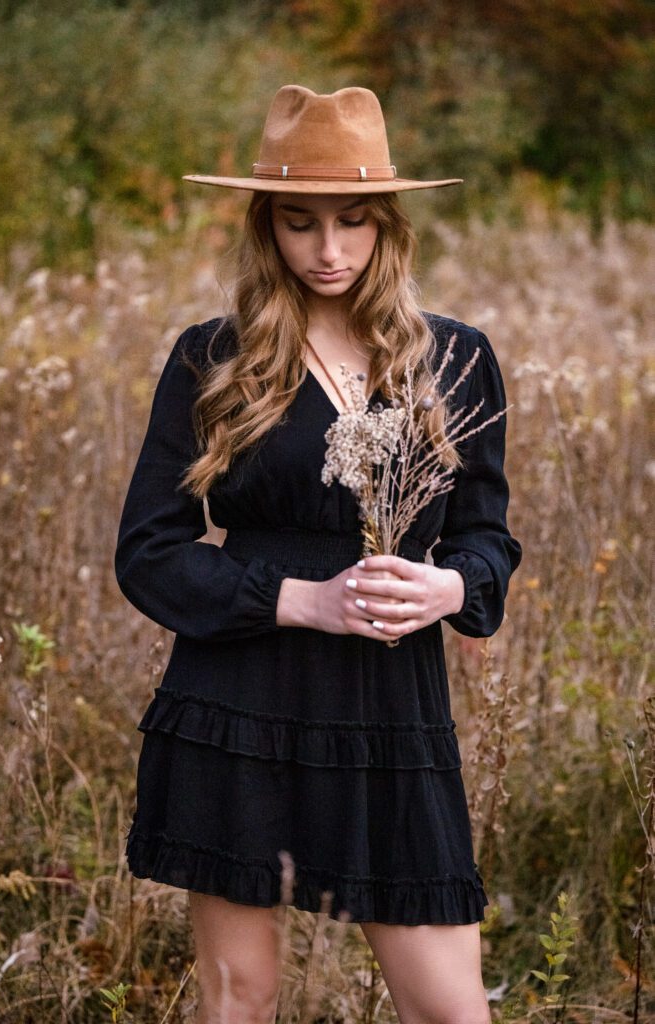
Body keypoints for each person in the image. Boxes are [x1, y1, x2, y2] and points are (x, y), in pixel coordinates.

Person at [114, 84, 523, 1024]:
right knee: (239, 998)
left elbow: (486, 537)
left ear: (388, 226)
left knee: (449, 1008)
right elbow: (149, 552)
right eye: (300, 224)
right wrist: (304, 599)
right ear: (268, 227)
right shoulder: (211, 357)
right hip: (237, 706)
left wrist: (447, 585)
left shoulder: (451, 360)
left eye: (352, 222)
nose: (328, 251)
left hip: (391, 710)